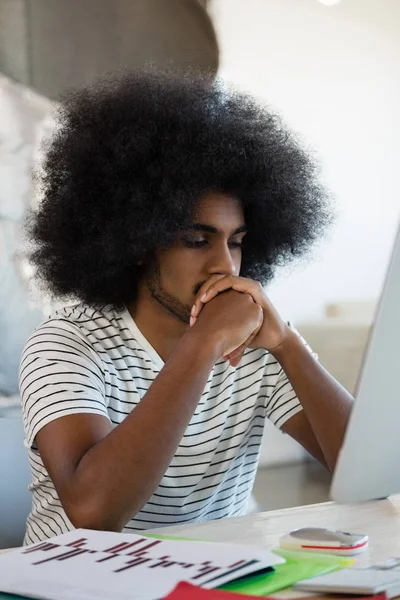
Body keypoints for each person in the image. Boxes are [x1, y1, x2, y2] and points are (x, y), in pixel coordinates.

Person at [20, 69, 353, 545]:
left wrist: (288, 345)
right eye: (197, 240)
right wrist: (203, 341)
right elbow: (94, 513)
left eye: (236, 242)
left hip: (223, 578)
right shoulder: (67, 344)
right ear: (137, 242)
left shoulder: (259, 343)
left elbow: (367, 474)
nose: (225, 265)